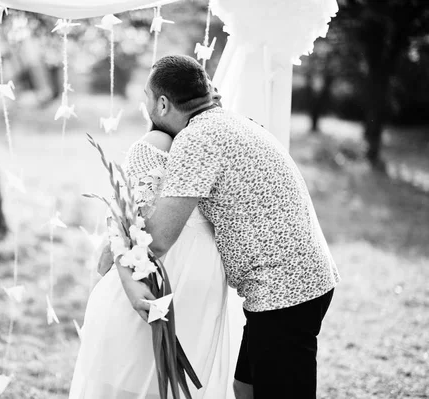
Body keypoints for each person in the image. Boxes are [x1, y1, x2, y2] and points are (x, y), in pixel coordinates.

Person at [116, 55, 340, 399]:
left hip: (284, 291)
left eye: (147, 96)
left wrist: (119, 256)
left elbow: (158, 240)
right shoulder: (228, 122)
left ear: (162, 103)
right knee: (245, 387)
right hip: (297, 281)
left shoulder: (197, 139)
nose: (144, 105)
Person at [68, 82, 233, 397]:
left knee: (132, 371)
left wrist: (111, 266)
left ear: (162, 103)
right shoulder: (208, 141)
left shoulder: (159, 140)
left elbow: (127, 213)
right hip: (197, 266)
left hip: (166, 263)